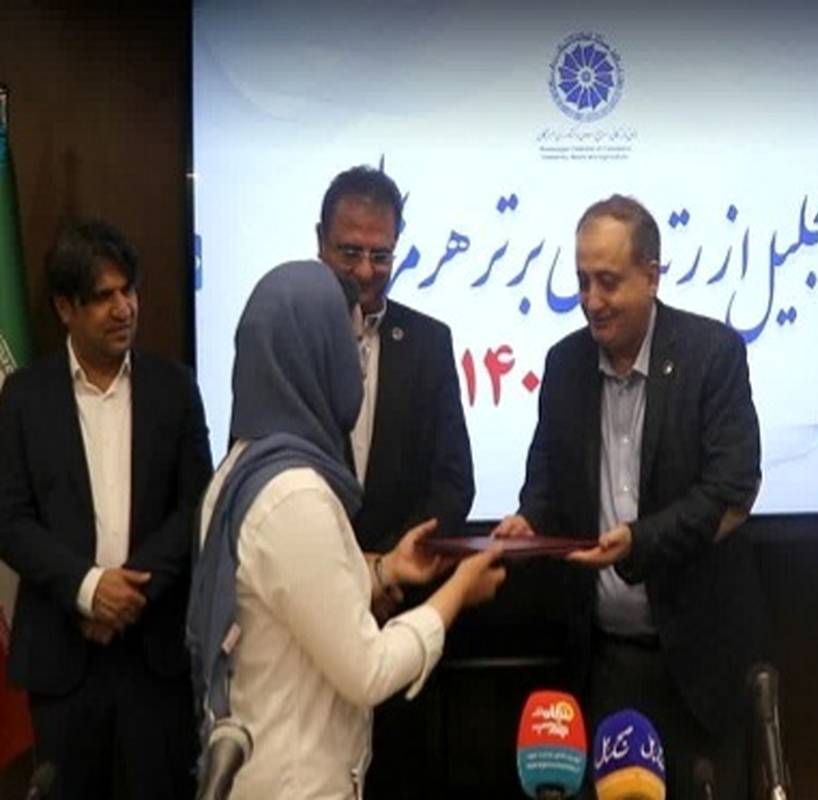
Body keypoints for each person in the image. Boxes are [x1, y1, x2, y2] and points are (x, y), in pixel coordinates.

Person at [187, 260, 504, 799]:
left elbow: (293, 599)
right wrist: (457, 593)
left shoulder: (243, 467)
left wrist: (384, 571)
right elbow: (369, 671)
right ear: (314, 355)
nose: (358, 368)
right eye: (350, 346)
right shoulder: (294, 497)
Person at [494, 195, 766, 800]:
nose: (591, 300)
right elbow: (546, 475)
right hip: (605, 662)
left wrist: (638, 542)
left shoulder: (712, 355)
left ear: (651, 274)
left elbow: (732, 489)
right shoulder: (565, 365)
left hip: (698, 663)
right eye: (582, 281)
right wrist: (528, 520)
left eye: (608, 281)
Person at [0, 219, 213, 799]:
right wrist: (90, 588)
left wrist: (128, 591)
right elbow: (10, 518)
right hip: (64, 656)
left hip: (155, 654)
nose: (124, 309)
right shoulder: (23, 397)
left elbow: (198, 504)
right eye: (103, 297)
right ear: (65, 308)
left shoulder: (175, 387)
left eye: (129, 291)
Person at [315, 165, 475, 796]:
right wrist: (355, 574)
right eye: (349, 251)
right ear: (320, 242)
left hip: (402, 614)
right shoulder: (292, 337)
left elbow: (454, 484)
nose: (365, 270)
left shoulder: (429, 342)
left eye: (380, 255)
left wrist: (387, 575)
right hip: (310, 617)